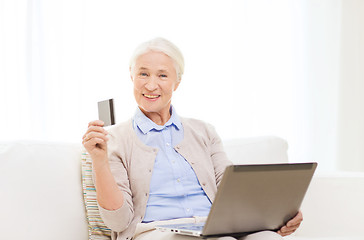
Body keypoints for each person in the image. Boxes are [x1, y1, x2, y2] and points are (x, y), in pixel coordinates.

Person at [82, 38, 303, 240]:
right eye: (143, 74)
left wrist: (277, 214)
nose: (151, 85)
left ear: (176, 82)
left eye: (162, 75)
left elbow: (230, 189)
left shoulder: (204, 131)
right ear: (131, 76)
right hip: (156, 232)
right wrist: (99, 162)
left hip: (212, 228)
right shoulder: (114, 139)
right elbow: (117, 222)